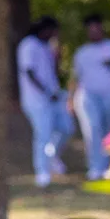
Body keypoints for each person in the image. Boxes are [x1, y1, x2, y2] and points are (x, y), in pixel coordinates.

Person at [17, 16, 70, 187]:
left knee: (66, 128)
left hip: (54, 97)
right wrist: (46, 93)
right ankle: (42, 172)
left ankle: (52, 156)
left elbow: (55, 72)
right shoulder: (28, 44)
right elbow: (29, 72)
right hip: (36, 100)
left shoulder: (46, 46)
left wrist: (57, 56)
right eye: (53, 30)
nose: (54, 34)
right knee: (43, 135)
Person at [72, 13, 110, 180]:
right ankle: (95, 167)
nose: (94, 32)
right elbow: (76, 78)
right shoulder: (82, 53)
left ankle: (109, 168)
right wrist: (71, 99)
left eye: (96, 29)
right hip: (89, 96)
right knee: (92, 130)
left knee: (109, 132)